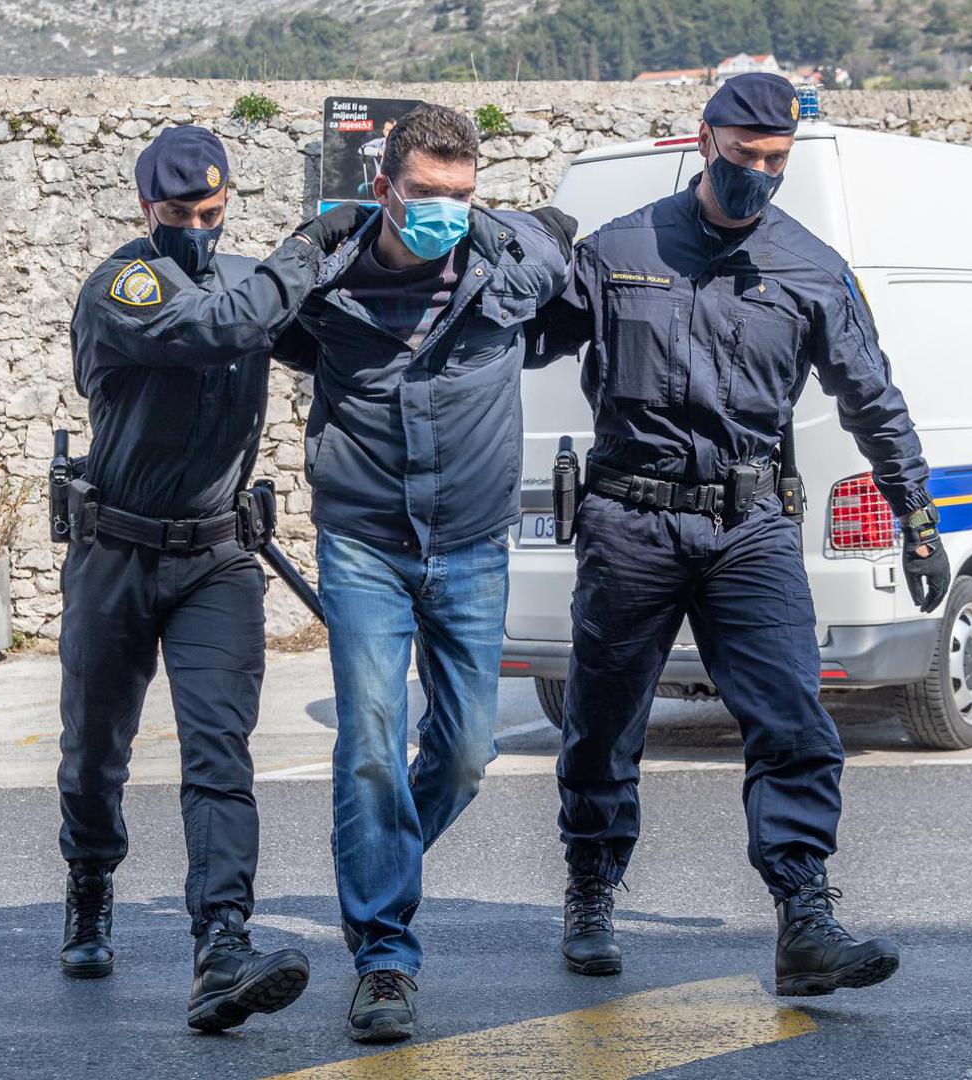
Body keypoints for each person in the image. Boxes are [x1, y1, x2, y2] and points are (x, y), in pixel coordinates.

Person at [528, 73, 951, 997]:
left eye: (775, 161)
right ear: (705, 138)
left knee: (795, 720)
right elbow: (520, 340)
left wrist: (916, 516)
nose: (758, 174)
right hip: (631, 517)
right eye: (744, 154)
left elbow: (872, 398)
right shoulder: (621, 247)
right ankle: (592, 892)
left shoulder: (809, 265)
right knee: (602, 722)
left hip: (749, 525)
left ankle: (804, 916)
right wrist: (519, 250)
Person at [272, 103, 574, 1042]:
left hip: (475, 545)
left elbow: (566, 258)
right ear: (383, 188)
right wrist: (300, 243)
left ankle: (377, 866)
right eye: (427, 194)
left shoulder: (511, 262)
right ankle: (384, 958)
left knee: (469, 753)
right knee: (369, 739)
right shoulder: (327, 282)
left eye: (462, 194)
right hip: (365, 544)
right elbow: (269, 325)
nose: (446, 210)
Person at [57, 124, 359, 1032]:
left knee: (222, 755)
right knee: (93, 750)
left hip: (220, 558)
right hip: (116, 551)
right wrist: (310, 245)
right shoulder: (125, 286)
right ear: (146, 209)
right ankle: (89, 884)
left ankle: (222, 945)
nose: (199, 224)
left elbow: (338, 343)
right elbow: (222, 328)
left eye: (213, 209)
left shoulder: (246, 285)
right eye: (180, 211)